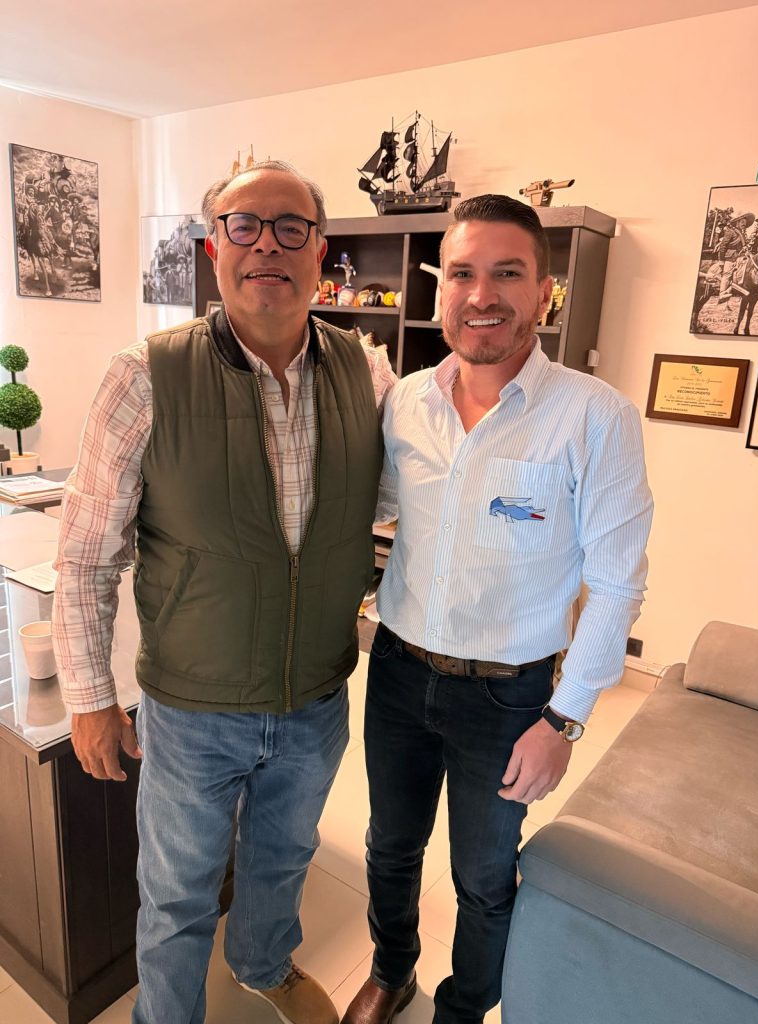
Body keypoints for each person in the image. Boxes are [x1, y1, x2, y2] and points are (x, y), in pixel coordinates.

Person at [52, 159, 396, 1024]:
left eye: (291, 227)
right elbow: (87, 556)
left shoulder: (368, 376)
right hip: (192, 709)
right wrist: (90, 699)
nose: (266, 245)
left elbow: (405, 505)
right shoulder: (144, 376)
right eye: (245, 226)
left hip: (315, 698)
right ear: (215, 249)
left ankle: (262, 962)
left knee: (284, 858)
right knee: (176, 893)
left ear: (321, 252)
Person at [342, 195, 653, 1024]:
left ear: (544, 292)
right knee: (389, 846)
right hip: (398, 671)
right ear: (441, 289)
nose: (482, 295)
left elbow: (618, 586)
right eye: (463, 274)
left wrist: (564, 721)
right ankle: (390, 972)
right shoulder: (407, 401)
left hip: (509, 697)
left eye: (507, 274)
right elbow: (374, 508)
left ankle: (464, 1008)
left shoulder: (595, 417)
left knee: (482, 877)